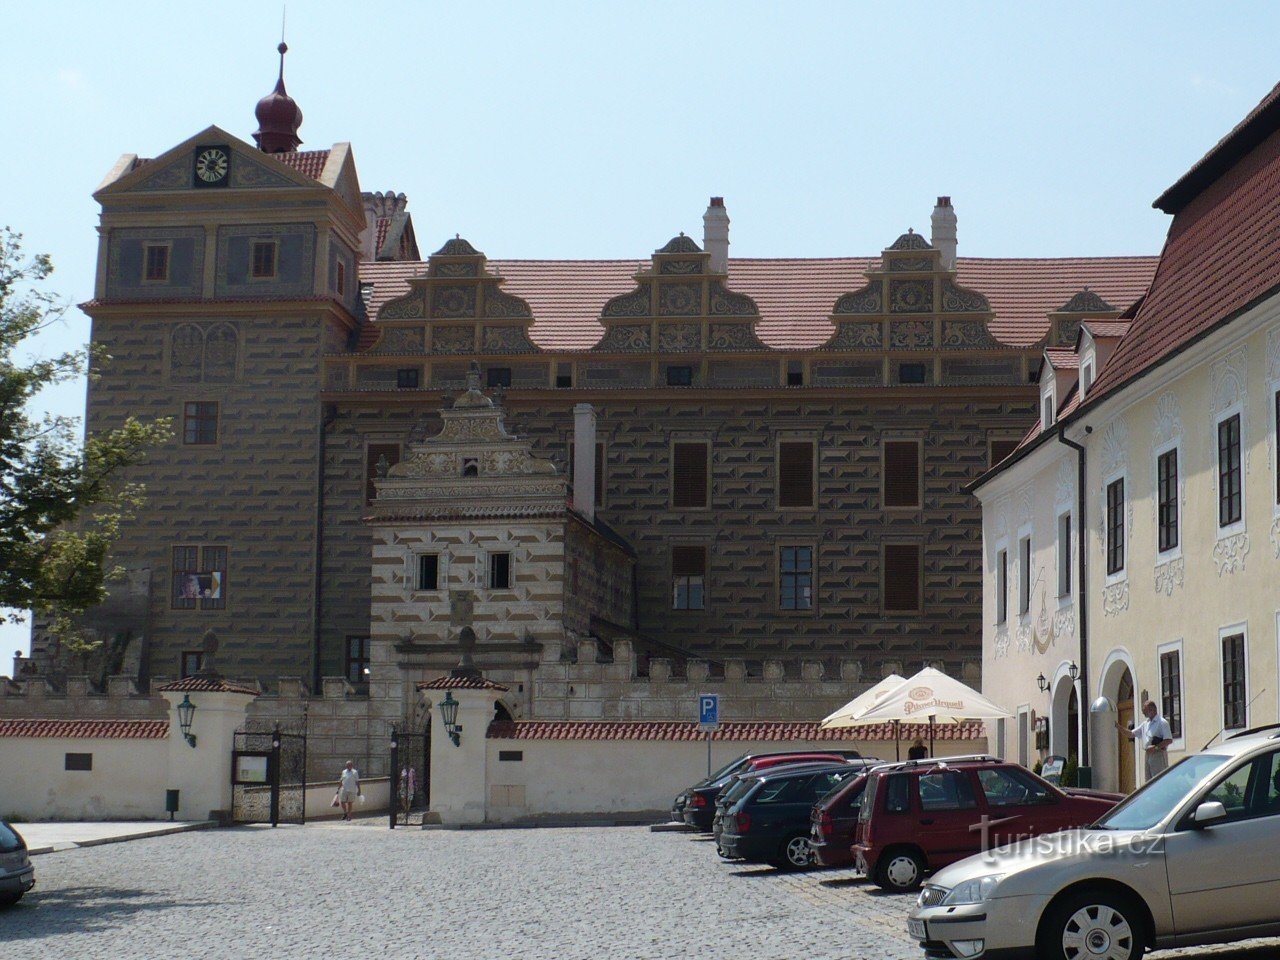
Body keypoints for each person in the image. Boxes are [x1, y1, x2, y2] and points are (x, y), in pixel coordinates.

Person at [1117, 701, 1173, 782]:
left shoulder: (1162, 722)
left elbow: (1169, 740)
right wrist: (1119, 728)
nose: (1143, 713)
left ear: (1152, 710)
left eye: (1145, 711)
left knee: (1159, 780)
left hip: (1158, 754)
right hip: (1148, 754)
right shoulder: (1145, 724)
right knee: (1149, 782)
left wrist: (1156, 747)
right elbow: (1131, 734)